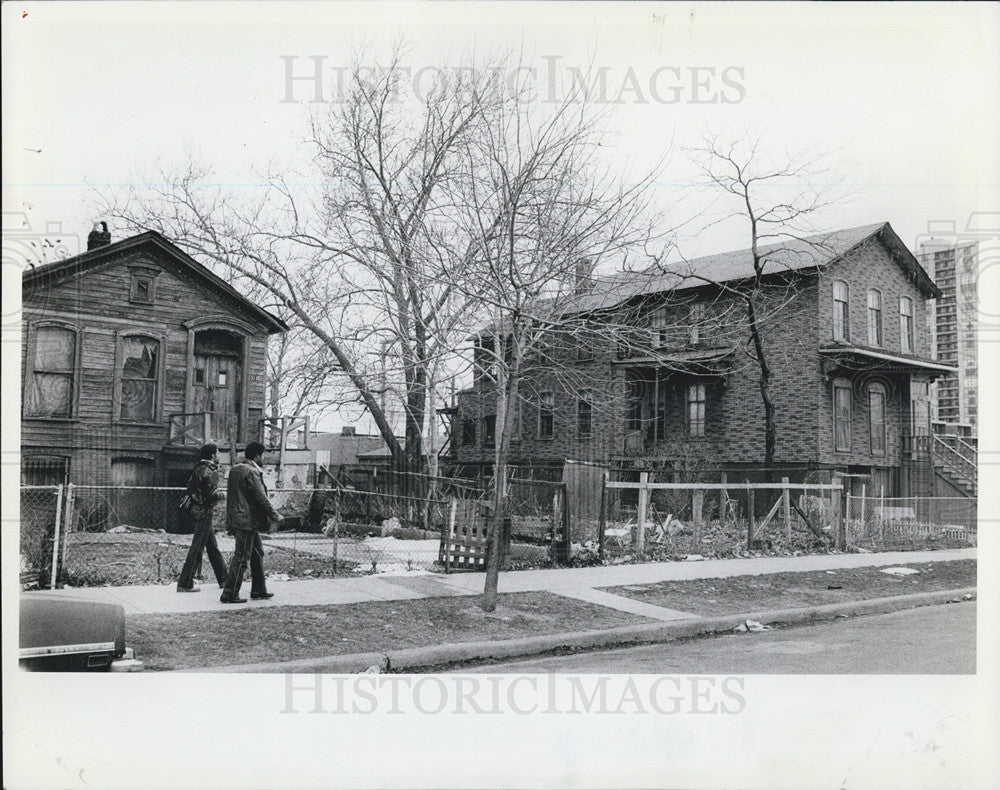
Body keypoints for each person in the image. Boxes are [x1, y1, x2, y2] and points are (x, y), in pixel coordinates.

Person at [220, 441, 280, 604]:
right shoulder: (252, 471)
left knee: (257, 552)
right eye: (263, 455)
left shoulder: (235, 469)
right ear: (257, 455)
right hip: (248, 521)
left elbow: (232, 497)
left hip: (238, 519)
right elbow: (261, 497)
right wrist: (275, 514)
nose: (264, 458)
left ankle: (259, 589)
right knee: (241, 557)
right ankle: (230, 593)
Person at [176, 443, 227, 593]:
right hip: (205, 511)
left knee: (212, 547)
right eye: (218, 453)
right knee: (197, 547)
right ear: (212, 455)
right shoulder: (210, 471)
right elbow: (211, 495)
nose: (219, 456)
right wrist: (223, 495)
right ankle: (185, 583)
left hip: (197, 511)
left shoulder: (198, 468)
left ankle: (224, 580)